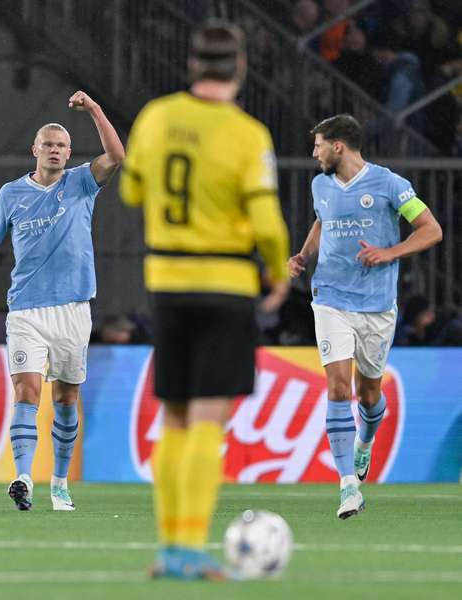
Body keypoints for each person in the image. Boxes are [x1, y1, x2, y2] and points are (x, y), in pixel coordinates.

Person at [120, 20, 290, 580]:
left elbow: (132, 190)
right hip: (224, 284)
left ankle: (169, 548)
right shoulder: (246, 134)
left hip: (166, 283)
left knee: (173, 418)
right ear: (239, 69)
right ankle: (191, 548)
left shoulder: (156, 116)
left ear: (192, 66)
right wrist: (276, 267)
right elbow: (265, 220)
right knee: (207, 420)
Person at [0, 90, 124, 512]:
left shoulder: (81, 182)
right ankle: (22, 477)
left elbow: (117, 155)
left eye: (61, 146)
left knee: (66, 399)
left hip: (73, 307)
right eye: (47, 144)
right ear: (34, 149)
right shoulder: (10, 195)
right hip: (26, 309)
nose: (54, 150)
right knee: (27, 391)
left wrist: (94, 108)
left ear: (68, 152)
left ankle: (58, 482)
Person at [288, 113, 442, 520]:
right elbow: (323, 220)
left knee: (369, 395)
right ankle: (347, 487)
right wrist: (304, 256)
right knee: (339, 389)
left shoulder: (390, 184)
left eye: (319, 144)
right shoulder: (320, 183)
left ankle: (364, 443)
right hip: (330, 299)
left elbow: (431, 230)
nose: (314, 152)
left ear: (339, 146)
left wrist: (389, 253)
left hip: (376, 306)